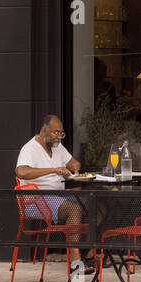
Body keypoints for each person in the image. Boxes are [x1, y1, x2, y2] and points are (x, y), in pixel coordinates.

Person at [15, 115, 88, 270]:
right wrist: (53, 170)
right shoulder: (30, 148)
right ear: (43, 131)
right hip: (36, 199)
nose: (59, 137)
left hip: (58, 196)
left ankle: (90, 254)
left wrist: (75, 167)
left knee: (95, 201)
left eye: (61, 133)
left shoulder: (57, 147)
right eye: (55, 132)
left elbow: (74, 162)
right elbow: (21, 172)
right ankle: (75, 262)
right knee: (74, 208)